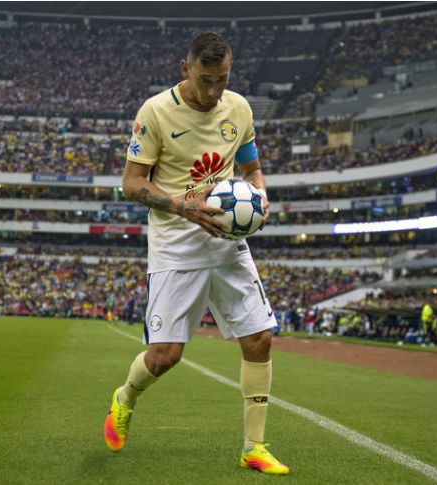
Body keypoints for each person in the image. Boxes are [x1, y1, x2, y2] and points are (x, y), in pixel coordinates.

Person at [102, 32, 289, 475]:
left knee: (260, 338)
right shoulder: (155, 112)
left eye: (222, 79)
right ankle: (125, 397)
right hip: (175, 244)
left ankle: (254, 447)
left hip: (225, 241)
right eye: (205, 80)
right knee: (166, 356)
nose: (213, 91)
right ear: (185, 70)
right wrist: (183, 206)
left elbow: (252, 167)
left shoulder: (239, 109)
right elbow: (131, 183)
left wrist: (261, 196)